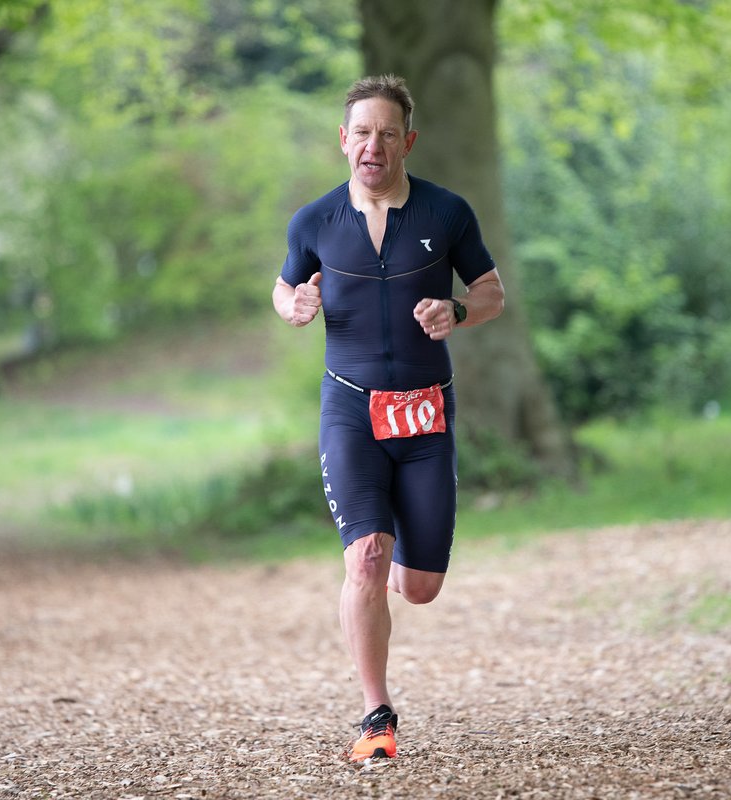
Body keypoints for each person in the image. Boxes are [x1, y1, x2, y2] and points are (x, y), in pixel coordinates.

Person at [271, 74, 505, 763]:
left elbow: (491, 291)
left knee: (419, 587)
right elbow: (285, 285)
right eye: (361, 132)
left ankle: (401, 549)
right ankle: (376, 717)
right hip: (349, 409)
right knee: (366, 558)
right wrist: (295, 307)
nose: (374, 144)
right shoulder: (314, 221)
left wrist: (456, 311)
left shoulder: (446, 214)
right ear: (344, 142)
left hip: (426, 412)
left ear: (408, 141)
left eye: (387, 133)